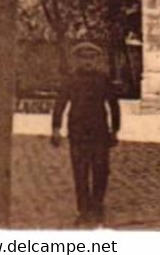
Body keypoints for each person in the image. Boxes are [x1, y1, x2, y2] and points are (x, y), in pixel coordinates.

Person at [51, 41, 120, 226]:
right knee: (80, 172)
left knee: (101, 171)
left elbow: (114, 105)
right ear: (77, 60)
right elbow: (60, 104)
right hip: (78, 133)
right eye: (83, 58)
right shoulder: (70, 80)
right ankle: (83, 210)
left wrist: (115, 130)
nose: (87, 61)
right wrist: (56, 128)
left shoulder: (103, 79)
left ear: (96, 60)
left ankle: (97, 206)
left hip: (100, 133)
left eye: (91, 58)